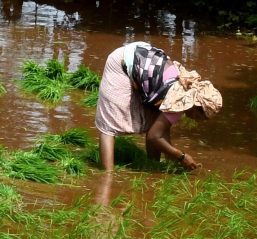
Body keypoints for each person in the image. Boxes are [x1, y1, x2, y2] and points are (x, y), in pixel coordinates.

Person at [95, 41, 222, 172]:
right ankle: (107, 175)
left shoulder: (184, 94)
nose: (197, 121)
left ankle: (152, 165)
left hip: (142, 57)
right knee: (109, 124)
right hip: (121, 62)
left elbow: (160, 131)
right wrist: (181, 156)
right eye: (202, 117)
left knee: (154, 121)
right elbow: (154, 137)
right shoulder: (178, 100)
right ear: (196, 107)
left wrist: (171, 160)